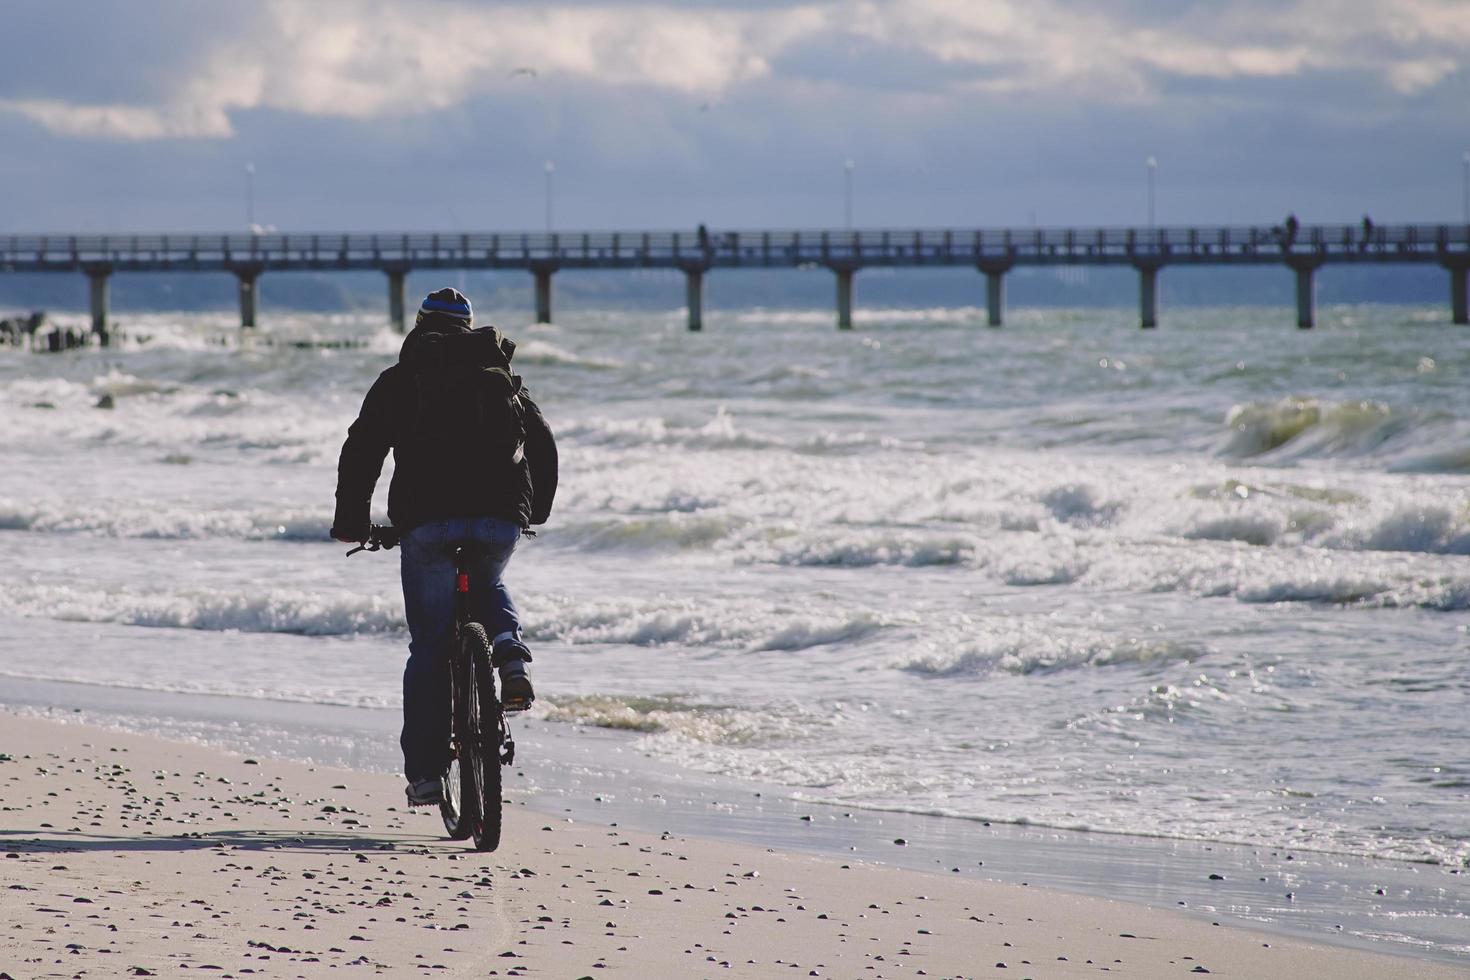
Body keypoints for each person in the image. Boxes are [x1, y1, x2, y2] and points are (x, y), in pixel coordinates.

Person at [331, 287, 558, 806]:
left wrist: (353, 522)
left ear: (419, 325)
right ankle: (509, 654)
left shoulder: (400, 380)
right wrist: (532, 512)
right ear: (470, 326)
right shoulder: (501, 378)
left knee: (430, 647)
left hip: (427, 524)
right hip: (499, 518)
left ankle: (427, 775)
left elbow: (362, 449)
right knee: (489, 581)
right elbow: (542, 443)